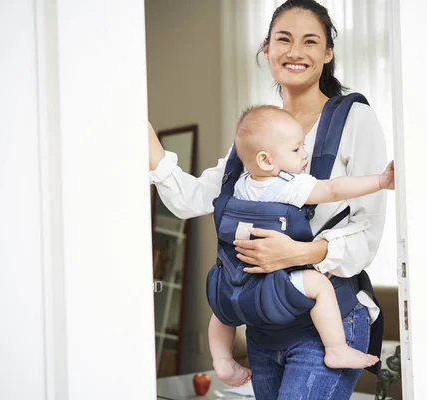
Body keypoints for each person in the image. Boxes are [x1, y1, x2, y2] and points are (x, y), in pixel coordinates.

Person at [148, 1, 388, 398]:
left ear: (328, 53)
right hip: (265, 322)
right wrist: (150, 144)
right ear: (266, 48)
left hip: (330, 318)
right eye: (284, 39)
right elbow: (192, 199)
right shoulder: (259, 134)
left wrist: (293, 254)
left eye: (310, 41)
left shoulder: (355, 119)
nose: (295, 51)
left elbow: (367, 232)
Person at [206, 104, 394, 386]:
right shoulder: (287, 185)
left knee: (222, 310)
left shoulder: (237, 186)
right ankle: (335, 348)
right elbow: (333, 189)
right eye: (296, 150)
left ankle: (221, 360)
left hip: (238, 279)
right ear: (267, 161)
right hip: (277, 281)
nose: (305, 154)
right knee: (320, 286)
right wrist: (380, 181)